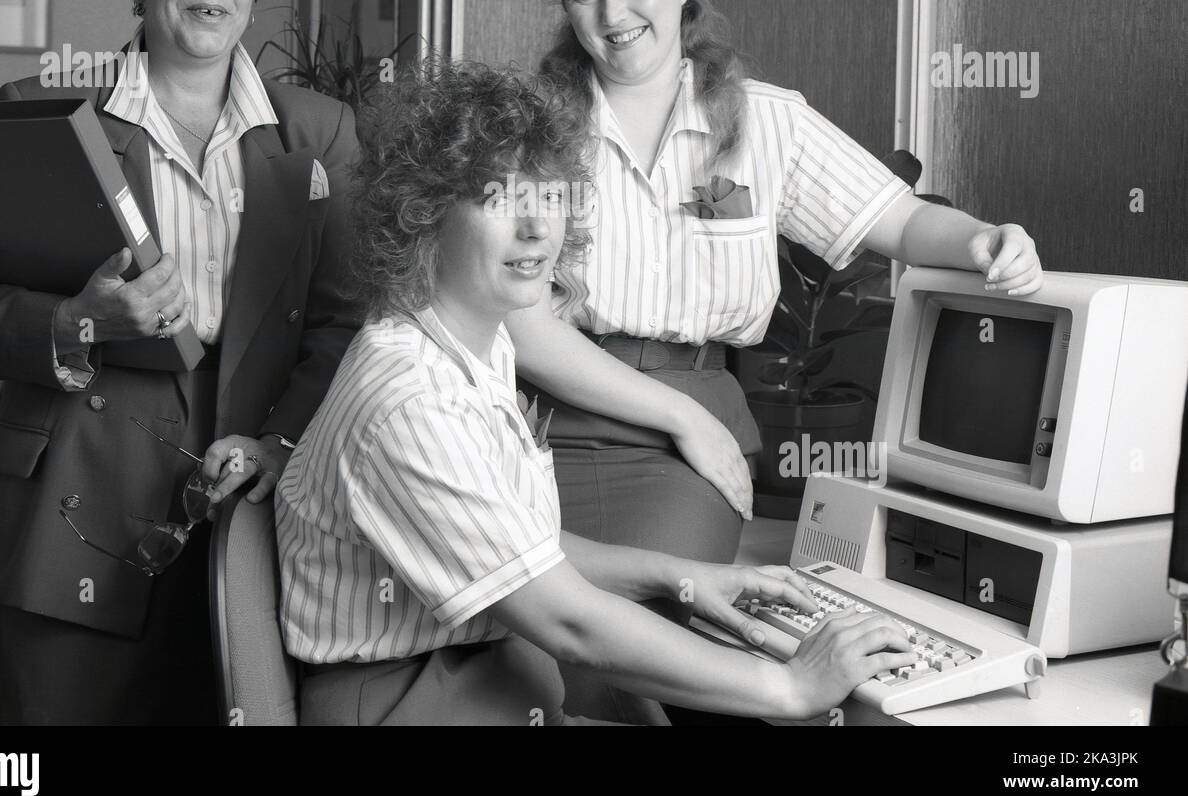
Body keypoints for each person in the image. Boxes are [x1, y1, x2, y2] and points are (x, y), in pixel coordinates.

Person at [274, 61, 918, 725]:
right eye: (498, 197)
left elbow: (523, 552)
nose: (535, 228)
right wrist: (790, 689)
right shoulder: (412, 396)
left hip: (480, 675)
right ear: (425, 213)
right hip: (405, 701)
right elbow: (568, 623)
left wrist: (687, 580)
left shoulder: (476, 341)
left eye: (548, 196)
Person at [0, 0, 360, 725]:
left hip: (250, 521)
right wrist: (78, 321)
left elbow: (347, 324)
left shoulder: (321, 131)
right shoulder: (45, 112)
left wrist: (280, 444)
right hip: (70, 518)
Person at [508, 0, 1043, 574]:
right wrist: (681, 417)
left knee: (638, 618)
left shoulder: (768, 123)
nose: (614, 14)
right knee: (524, 634)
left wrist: (985, 240)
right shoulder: (528, 132)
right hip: (544, 420)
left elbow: (902, 221)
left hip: (685, 441)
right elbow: (517, 322)